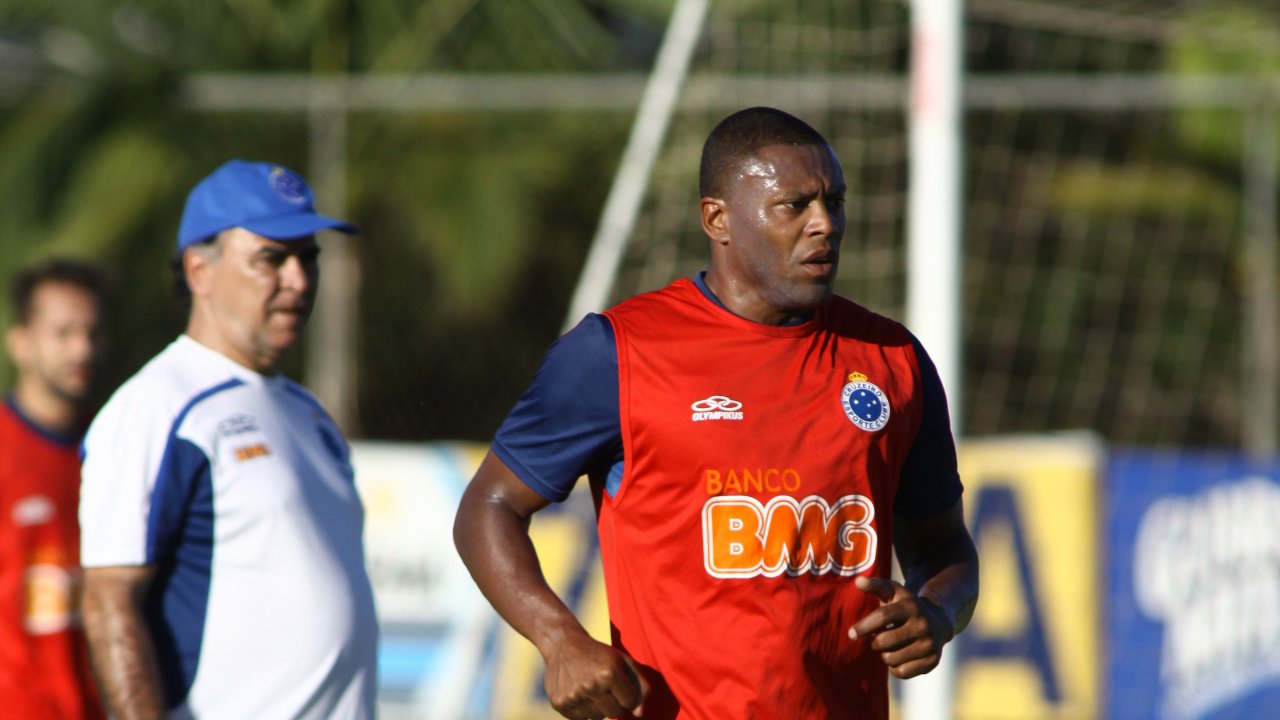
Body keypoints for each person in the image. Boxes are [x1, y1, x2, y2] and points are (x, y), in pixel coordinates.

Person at [454, 107, 979, 720]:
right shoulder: (617, 353)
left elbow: (946, 545)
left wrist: (936, 611)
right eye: (794, 205)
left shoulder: (893, 360)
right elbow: (489, 506)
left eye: (834, 202)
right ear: (717, 219)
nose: (825, 224)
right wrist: (559, 639)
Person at [79, 160, 379, 720]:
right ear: (200, 271)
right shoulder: (156, 407)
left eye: (308, 258)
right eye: (272, 258)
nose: (298, 280)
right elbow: (108, 600)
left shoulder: (307, 412)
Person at [0, 260, 107, 719]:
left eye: (92, 333)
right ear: (20, 343)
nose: (82, 349)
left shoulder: (114, 446)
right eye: (63, 333)